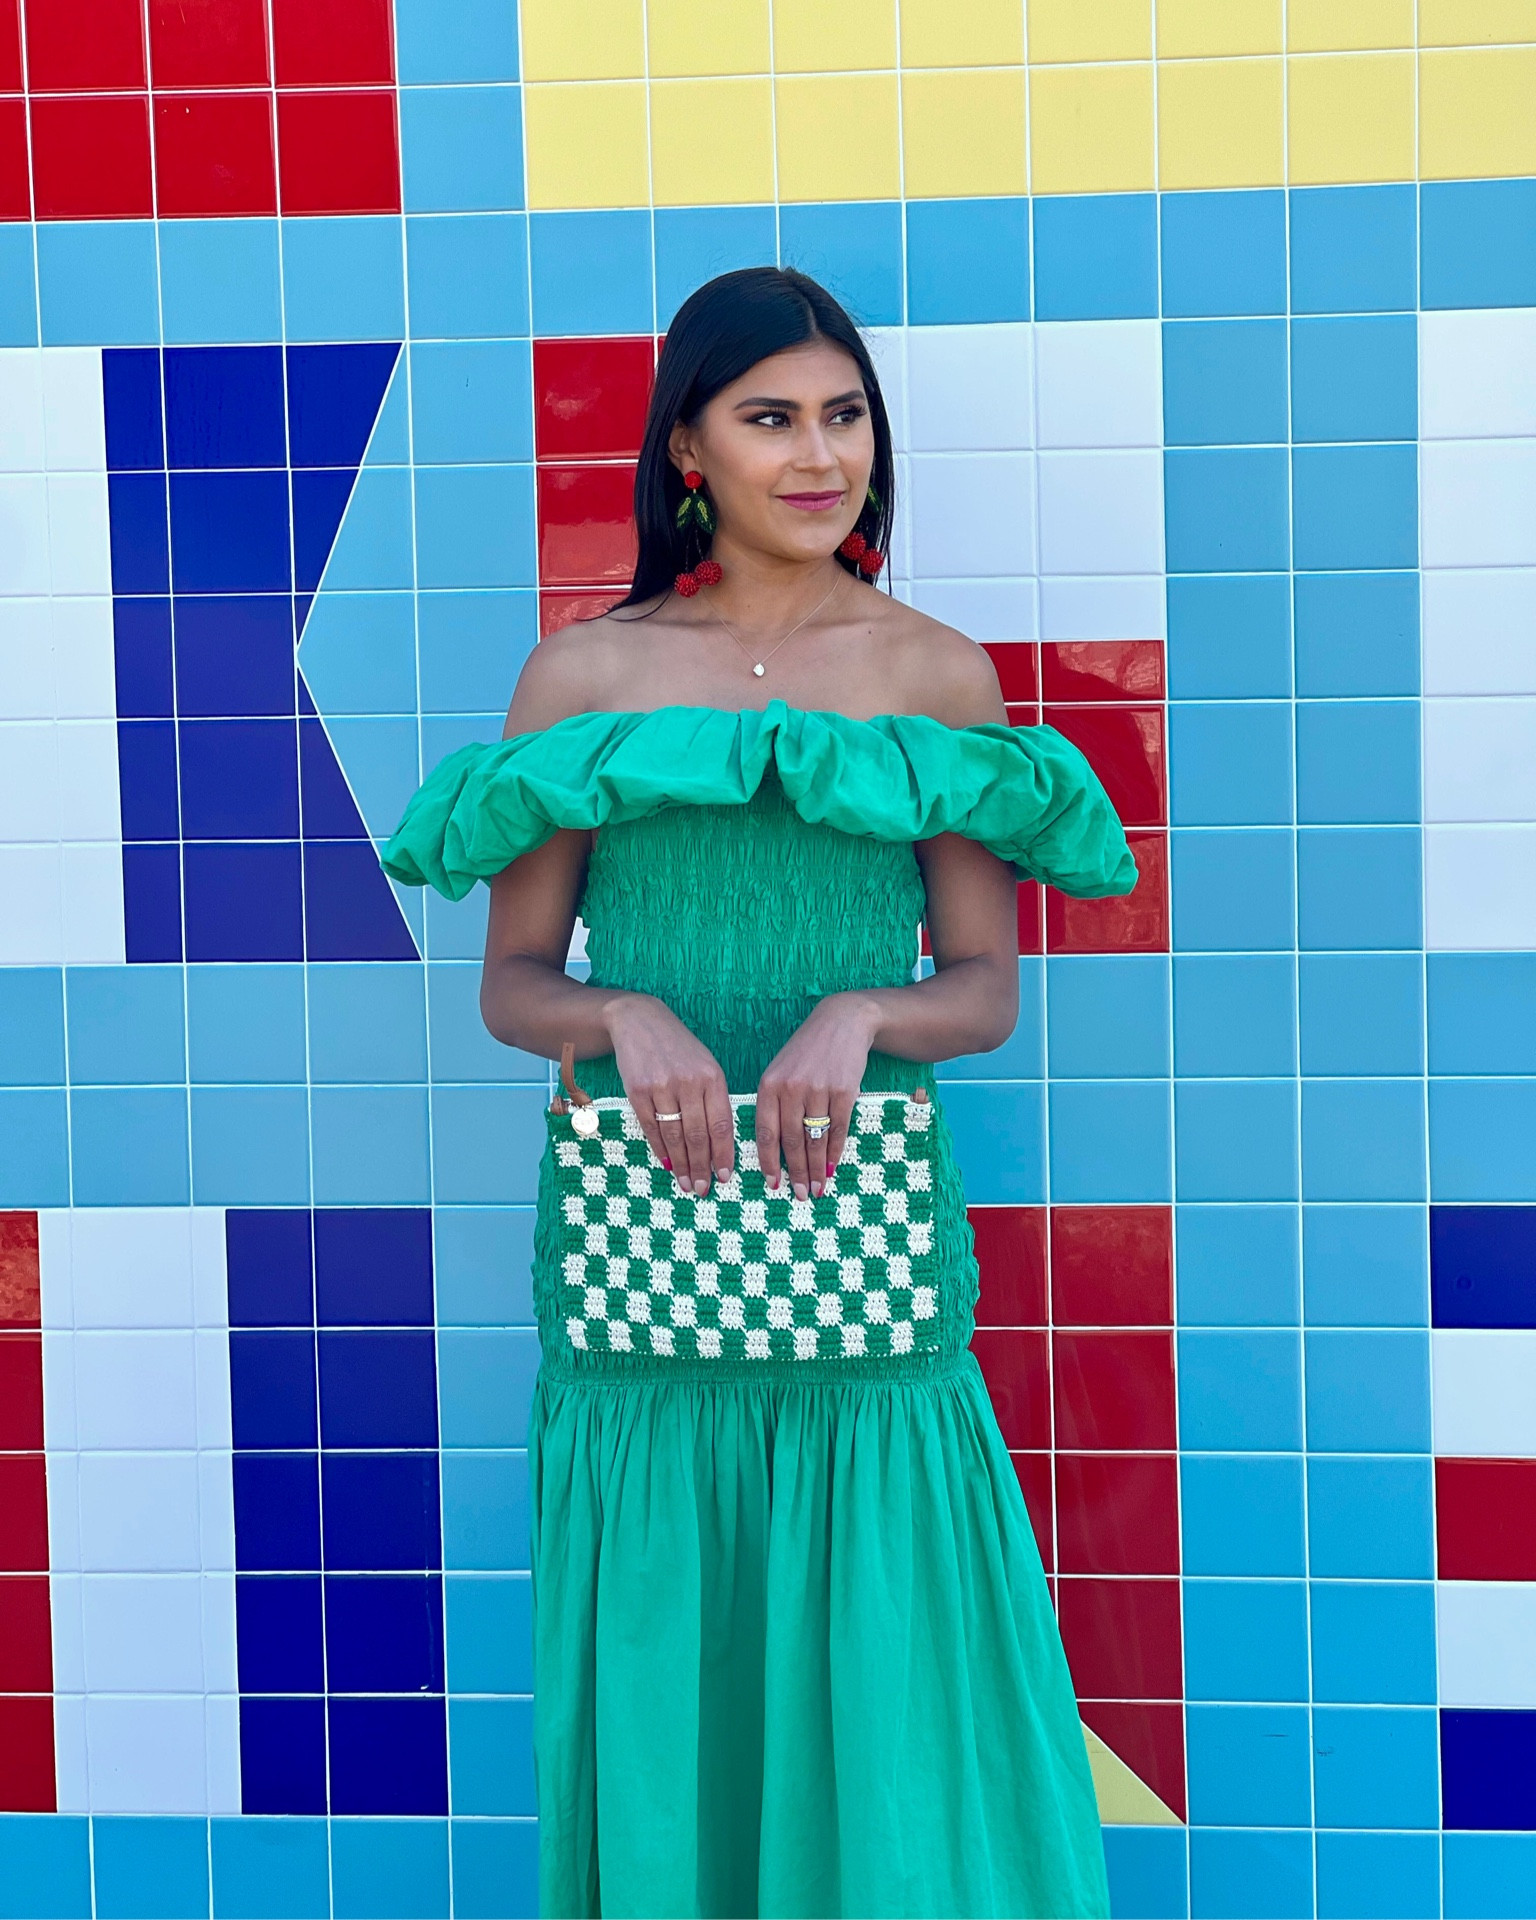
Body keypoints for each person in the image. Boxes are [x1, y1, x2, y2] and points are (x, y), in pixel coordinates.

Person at [384, 266, 1136, 1920]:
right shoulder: (583, 682)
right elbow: (512, 986)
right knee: (676, 1718)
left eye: (846, 415)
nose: (820, 456)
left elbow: (984, 990)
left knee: (900, 1717)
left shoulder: (936, 677)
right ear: (686, 455)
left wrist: (864, 1010)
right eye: (772, 417)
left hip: (862, 1288)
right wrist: (617, 1011)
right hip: (642, 1290)